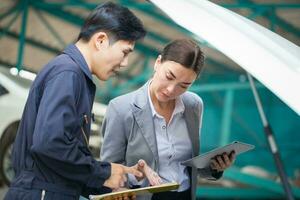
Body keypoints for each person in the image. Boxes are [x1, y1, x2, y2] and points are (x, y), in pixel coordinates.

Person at [5, 2, 146, 200]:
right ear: (101, 40)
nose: (125, 64)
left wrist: (107, 187)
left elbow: (61, 161)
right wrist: (104, 173)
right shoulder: (68, 73)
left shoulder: (75, 76)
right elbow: (51, 144)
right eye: (125, 52)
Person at [100, 39, 236, 200]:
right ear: (158, 63)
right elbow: (109, 170)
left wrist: (215, 167)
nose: (171, 89)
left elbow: (186, 166)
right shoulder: (121, 108)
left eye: (184, 85)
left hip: (184, 195)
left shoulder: (194, 105)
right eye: (169, 76)